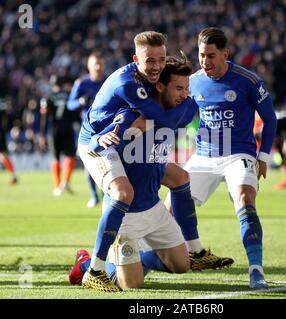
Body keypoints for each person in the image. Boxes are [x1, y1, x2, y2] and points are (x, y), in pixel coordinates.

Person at [76, 31, 232, 291]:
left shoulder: (160, 87)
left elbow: (186, 109)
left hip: (142, 179)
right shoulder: (129, 92)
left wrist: (158, 116)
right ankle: (92, 267)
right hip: (98, 141)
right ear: (136, 59)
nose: (157, 66)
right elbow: (166, 117)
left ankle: (194, 251)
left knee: (181, 178)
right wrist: (133, 126)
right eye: (150, 61)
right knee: (123, 193)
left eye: (161, 60)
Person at [70, 56, 196, 291]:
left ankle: (137, 258)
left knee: (182, 265)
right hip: (126, 215)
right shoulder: (131, 116)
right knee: (132, 286)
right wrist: (100, 139)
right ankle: (86, 264)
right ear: (160, 87)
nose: (185, 94)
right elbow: (96, 143)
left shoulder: (183, 108)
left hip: (154, 208)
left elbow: (192, 108)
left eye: (186, 89)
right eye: (179, 88)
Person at [172, 27, 277, 289]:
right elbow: (179, 112)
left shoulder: (247, 80)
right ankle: (147, 264)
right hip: (204, 156)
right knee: (169, 212)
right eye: (201, 55)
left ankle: (256, 270)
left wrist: (263, 155)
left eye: (211, 55)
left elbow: (270, 118)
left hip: (238, 154)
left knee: (245, 199)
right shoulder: (193, 81)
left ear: (225, 54)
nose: (205, 61)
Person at [67, 51, 106, 208]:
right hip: (88, 131)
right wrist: (81, 102)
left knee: (108, 162)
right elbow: (70, 104)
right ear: (88, 66)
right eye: (94, 63)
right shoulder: (81, 83)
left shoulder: (109, 81)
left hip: (107, 129)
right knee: (89, 164)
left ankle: (106, 195)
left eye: (100, 63)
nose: (97, 66)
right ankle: (93, 196)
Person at [39, 75, 80, 196]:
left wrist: (42, 134)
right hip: (68, 128)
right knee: (70, 156)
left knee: (55, 158)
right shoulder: (69, 96)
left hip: (54, 130)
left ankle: (57, 186)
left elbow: (44, 117)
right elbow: (75, 115)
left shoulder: (47, 98)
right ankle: (66, 182)